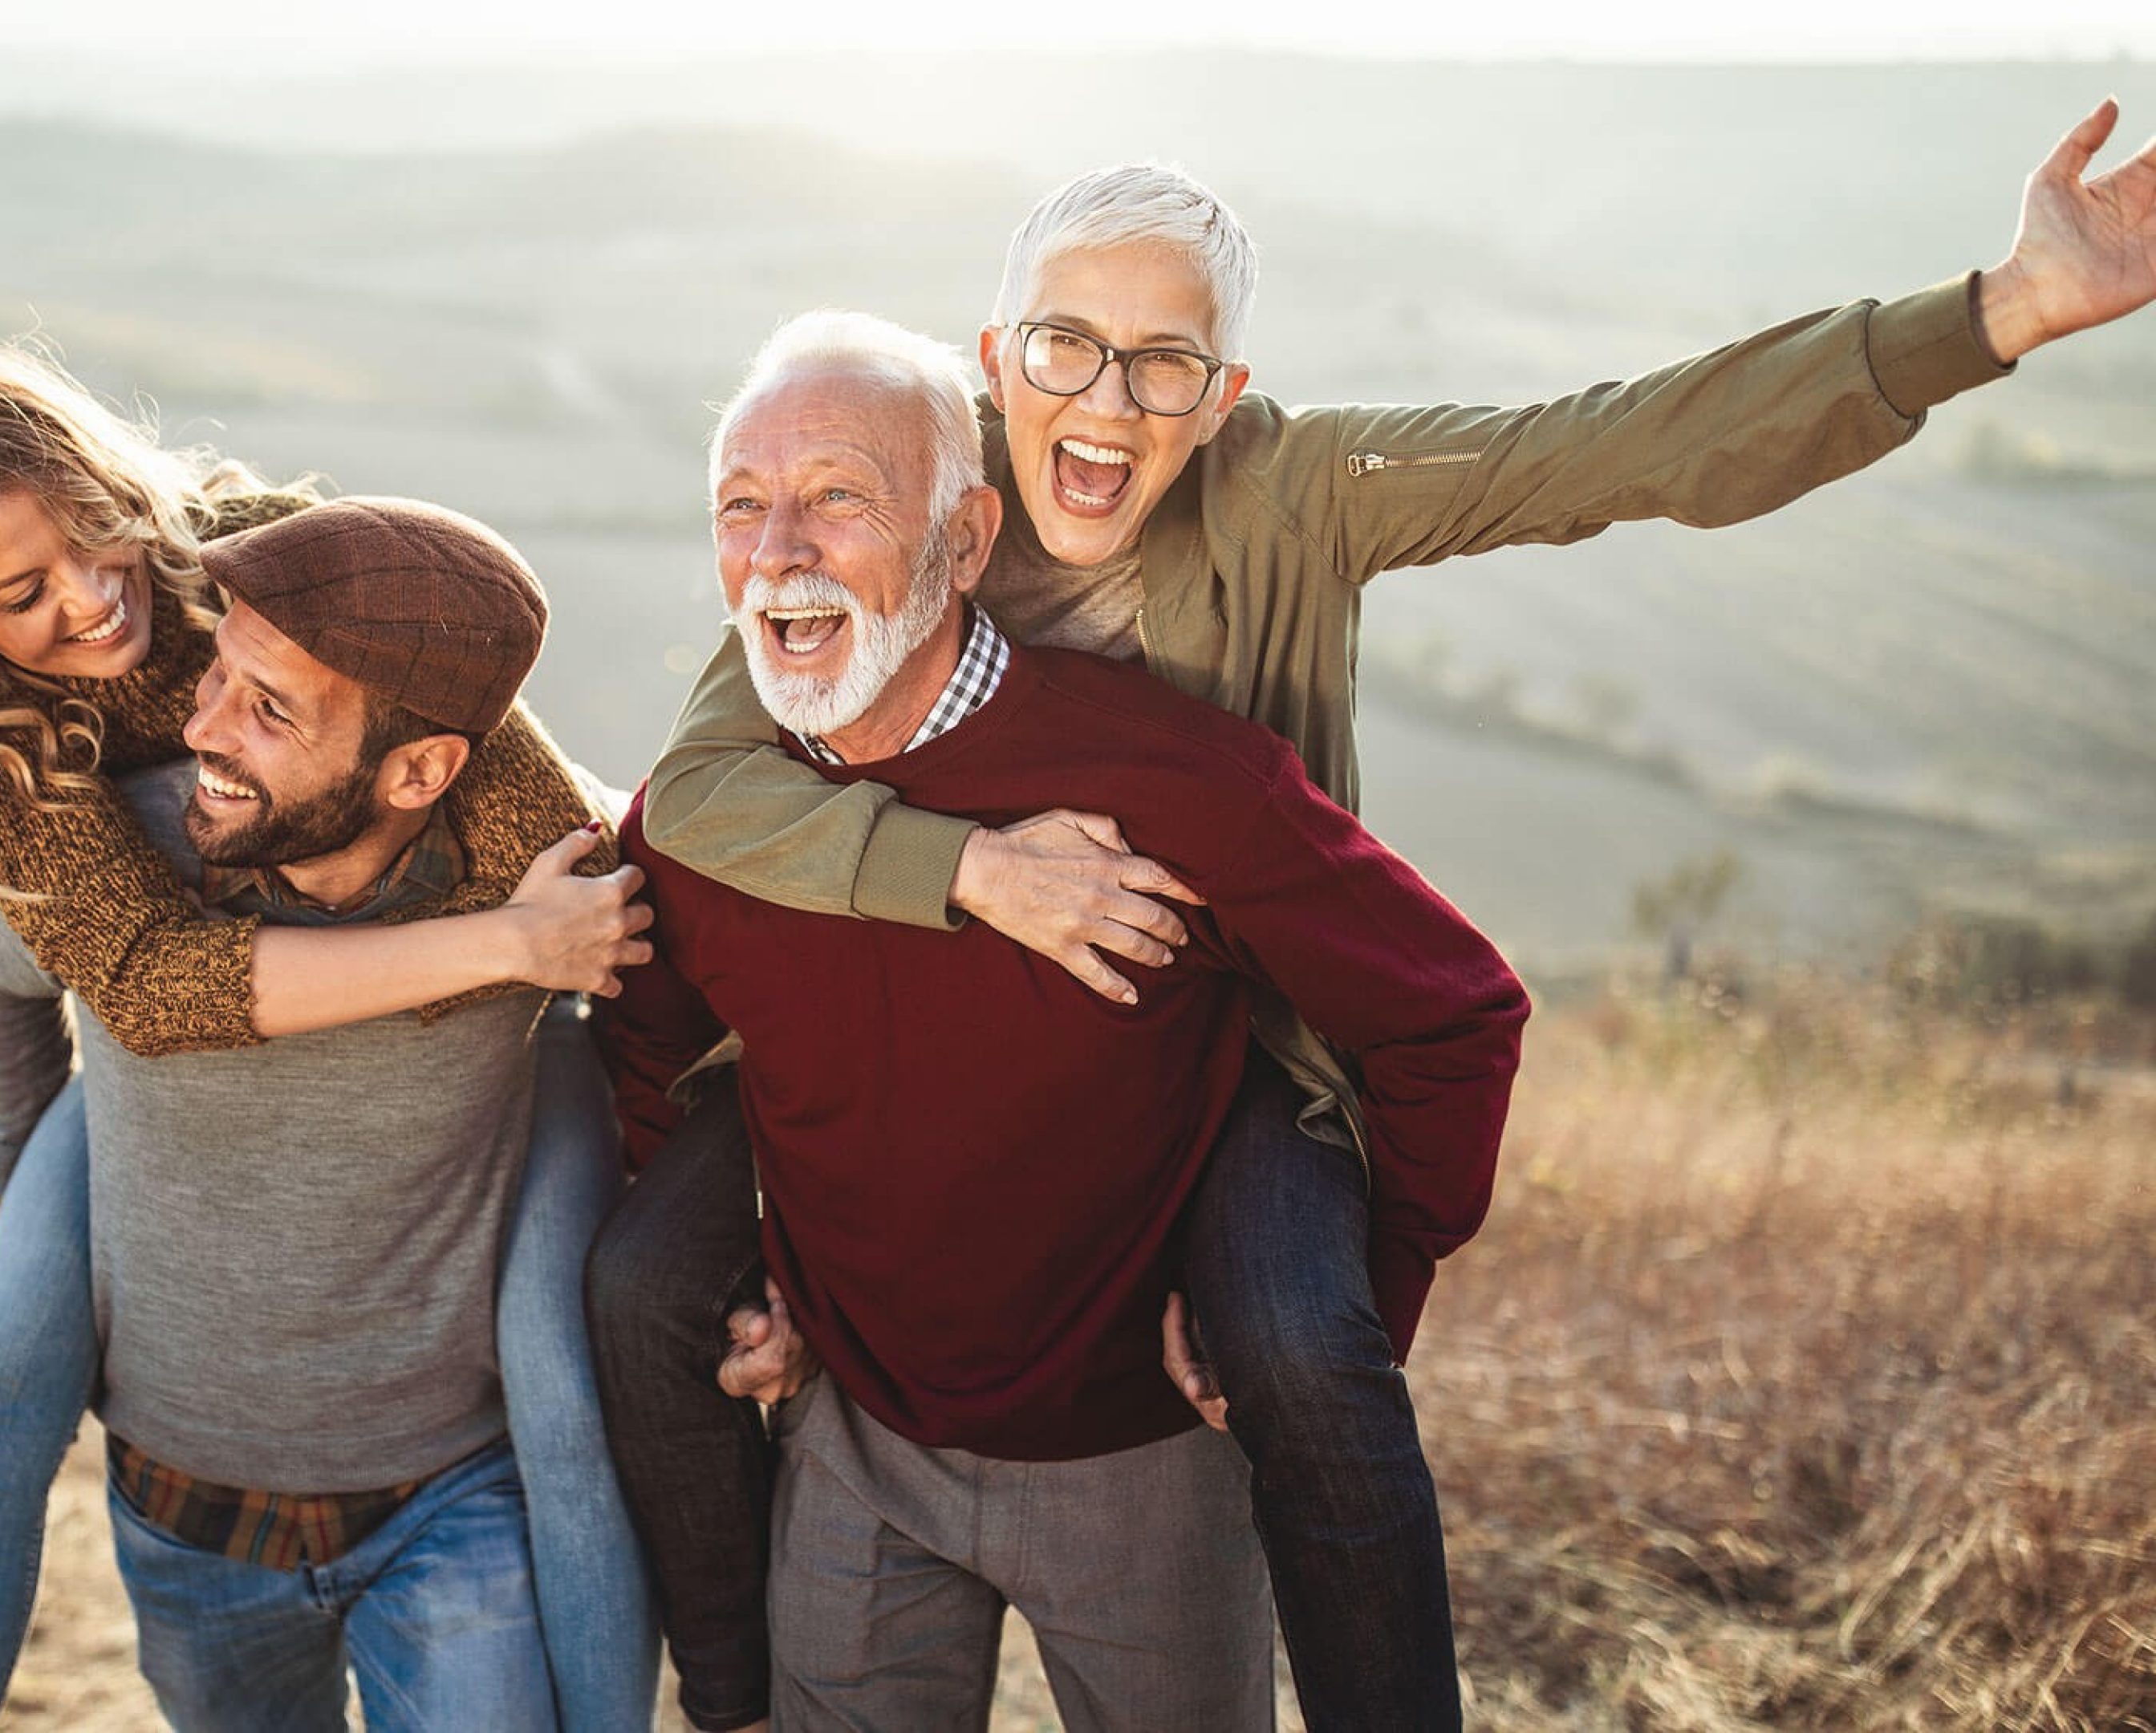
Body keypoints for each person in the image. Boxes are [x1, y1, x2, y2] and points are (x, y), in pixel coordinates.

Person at [606, 105, 2156, 1731]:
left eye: (1163, 365)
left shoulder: (1297, 495)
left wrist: (2003, 308)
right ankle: (732, 1687)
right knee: (651, 1282)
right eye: (1065, 347)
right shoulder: (899, 495)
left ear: (1224, 398)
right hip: (923, 1024)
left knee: (1296, 1341)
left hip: (1250, 1025)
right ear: (998, 358)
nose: (1105, 402)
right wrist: (972, 872)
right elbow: (707, 791)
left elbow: (1617, 448)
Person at [592, 313, 1529, 1730]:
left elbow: (1452, 1015)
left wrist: (1352, 1307)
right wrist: (749, 1271)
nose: (777, 547)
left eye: (838, 497)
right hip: (858, 1452)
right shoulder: (703, 829)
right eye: (741, 506)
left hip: (1143, 1464)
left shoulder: (1176, 781)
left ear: (967, 542)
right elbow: (655, 1053)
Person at [0, 341, 659, 1731]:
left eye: (90, 541)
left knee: (562, 1382)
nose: (90, 600)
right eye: (22, 596)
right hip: (144, 1070)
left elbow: (519, 802)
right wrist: (39, 1184)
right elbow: (143, 984)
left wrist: (552, 910)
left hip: (483, 1122)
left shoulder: (257, 559)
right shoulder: (17, 745)